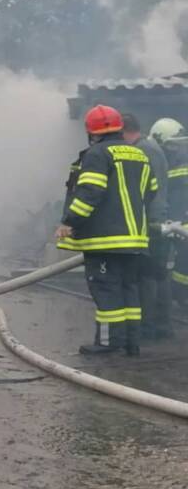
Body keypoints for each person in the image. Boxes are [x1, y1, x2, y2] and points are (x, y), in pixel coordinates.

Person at [56, 105, 158, 357]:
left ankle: (106, 342)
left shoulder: (97, 154)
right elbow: (151, 190)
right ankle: (131, 342)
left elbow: (90, 192)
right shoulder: (139, 154)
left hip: (105, 240)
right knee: (128, 289)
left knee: (106, 289)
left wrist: (70, 222)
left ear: (91, 131)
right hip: (135, 239)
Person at [123, 113, 172, 340]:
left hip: (151, 222)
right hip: (156, 219)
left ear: (125, 132)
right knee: (157, 274)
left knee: (148, 275)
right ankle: (161, 327)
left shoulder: (144, 150)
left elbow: (146, 190)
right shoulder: (149, 147)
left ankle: (150, 328)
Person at [150, 117, 188, 311]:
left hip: (178, 224)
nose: (178, 150)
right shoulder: (154, 162)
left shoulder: (178, 163)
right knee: (159, 267)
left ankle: (179, 297)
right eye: (173, 146)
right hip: (165, 224)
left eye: (180, 146)